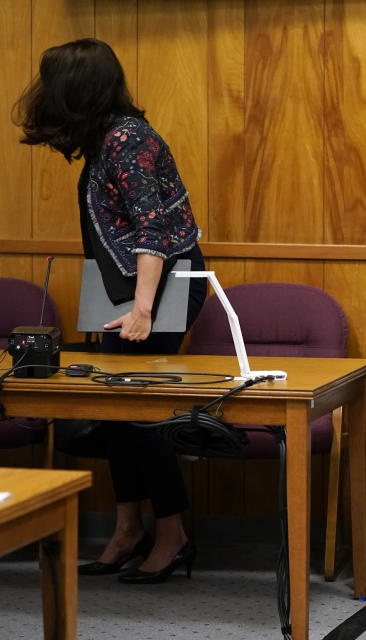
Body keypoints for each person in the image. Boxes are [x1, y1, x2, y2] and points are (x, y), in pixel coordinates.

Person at [15, 38, 206, 584]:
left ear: (78, 89)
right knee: (115, 410)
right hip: (123, 287)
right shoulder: (106, 138)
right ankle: (128, 528)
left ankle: (172, 533)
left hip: (162, 286)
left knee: (142, 413)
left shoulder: (128, 138)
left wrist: (143, 308)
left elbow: (152, 227)